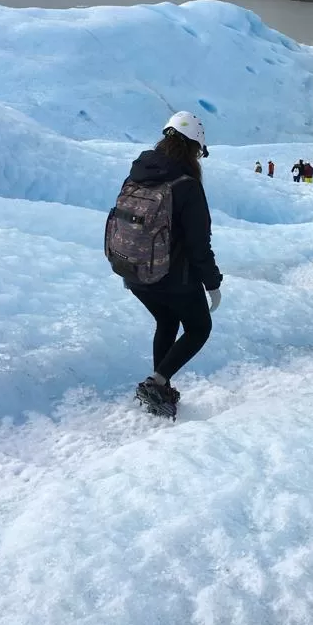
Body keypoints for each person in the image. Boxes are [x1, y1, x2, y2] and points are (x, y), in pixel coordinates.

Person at [111, 111, 222, 418]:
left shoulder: (137, 173)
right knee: (199, 327)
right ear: (193, 148)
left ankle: (160, 386)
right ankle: (157, 382)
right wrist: (212, 283)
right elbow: (199, 244)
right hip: (172, 277)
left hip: (132, 271)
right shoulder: (186, 185)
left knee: (167, 321)